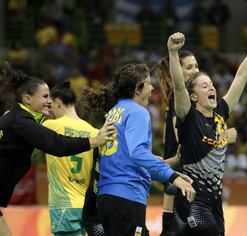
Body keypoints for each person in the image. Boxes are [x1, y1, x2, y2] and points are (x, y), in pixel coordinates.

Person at [168, 19, 247, 235]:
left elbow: (242, 76)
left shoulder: (221, 112)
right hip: (192, 199)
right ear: (193, 96)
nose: (211, 87)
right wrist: (173, 53)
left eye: (211, 84)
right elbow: (178, 86)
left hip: (215, 201)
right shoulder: (188, 116)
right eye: (204, 86)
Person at [0, 62, 115, 236]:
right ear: (27, 99)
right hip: (82, 205)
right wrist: (94, 140)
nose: (49, 101)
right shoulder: (20, 121)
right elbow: (55, 144)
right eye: (45, 96)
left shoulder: (16, 116)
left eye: (50, 97)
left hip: (63, 207)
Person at [82, 63, 196, 236]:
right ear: (138, 88)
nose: (152, 87)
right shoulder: (138, 112)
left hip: (107, 200)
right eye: (148, 83)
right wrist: (173, 178)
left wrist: (170, 168)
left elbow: (128, 160)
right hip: (127, 198)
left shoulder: (113, 112)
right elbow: (138, 154)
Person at [156, 49, 238, 236]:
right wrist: (224, 137)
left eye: (197, 66)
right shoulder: (183, 108)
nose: (195, 70)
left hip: (206, 195)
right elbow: (183, 146)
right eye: (190, 67)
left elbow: (241, 77)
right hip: (186, 188)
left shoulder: (212, 112)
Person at [43, 81, 99, 236]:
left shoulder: (50, 127)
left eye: (51, 105)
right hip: (87, 206)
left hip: (63, 205)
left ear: (58, 102)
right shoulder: (94, 132)